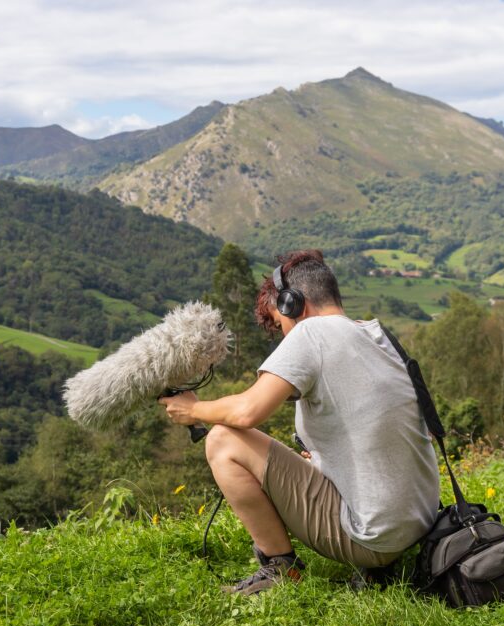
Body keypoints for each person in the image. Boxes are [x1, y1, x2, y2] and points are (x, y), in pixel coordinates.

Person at [159, 249, 440, 596]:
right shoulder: (379, 336)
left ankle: (279, 568)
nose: (283, 336)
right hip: (421, 522)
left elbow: (248, 411)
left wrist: (193, 410)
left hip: (376, 538)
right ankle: (376, 566)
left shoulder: (311, 334)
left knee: (223, 441)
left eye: (279, 324)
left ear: (293, 304)